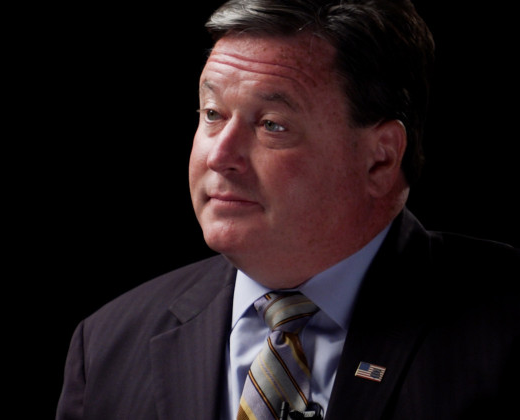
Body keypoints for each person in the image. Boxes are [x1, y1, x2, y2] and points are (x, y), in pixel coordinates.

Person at [55, 0, 520, 419]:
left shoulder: (506, 322)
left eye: (272, 125)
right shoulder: (107, 346)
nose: (220, 155)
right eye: (213, 114)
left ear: (380, 158)